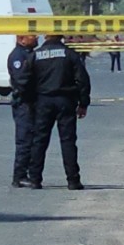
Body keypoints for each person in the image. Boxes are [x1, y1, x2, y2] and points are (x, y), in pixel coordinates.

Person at [14, 34, 91, 190]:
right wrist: (83, 103)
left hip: (43, 102)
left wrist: (29, 101)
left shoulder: (35, 55)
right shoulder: (70, 54)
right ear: (60, 36)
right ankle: (73, 180)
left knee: (39, 141)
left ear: (46, 36)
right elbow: (82, 80)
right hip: (66, 101)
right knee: (68, 141)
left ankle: (35, 179)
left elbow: (23, 80)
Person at [7, 34, 38, 188]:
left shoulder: (29, 54)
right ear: (22, 39)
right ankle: (19, 176)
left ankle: (28, 174)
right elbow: (21, 81)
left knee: (33, 140)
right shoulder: (18, 56)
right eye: (32, 35)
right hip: (24, 103)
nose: (37, 37)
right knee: (24, 140)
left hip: (31, 103)